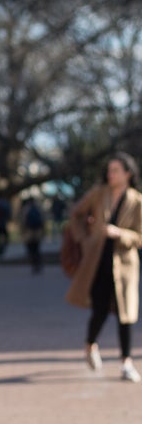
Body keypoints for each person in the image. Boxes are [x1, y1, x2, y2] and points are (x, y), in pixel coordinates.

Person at [65, 152, 142, 383]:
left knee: (126, 314)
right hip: (98, 261)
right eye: (109, 170)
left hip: (125, 265)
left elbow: (140, 236)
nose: (110, 174)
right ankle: (90, 345)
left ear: (127, 173)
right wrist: (84, 237)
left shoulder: (137, 201)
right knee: (99, 310)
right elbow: (76, 215)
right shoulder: (98, 194)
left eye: (115, 170)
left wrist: (120, 234)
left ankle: (126, 362)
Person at [19, 197, 45, 274]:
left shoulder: (25, 210)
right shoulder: (38, 209)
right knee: (36, 249)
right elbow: (43, 221)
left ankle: (34, 265)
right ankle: (38, 263)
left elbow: (22, 222)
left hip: (29, 232)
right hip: (37, 232)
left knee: (31, 249)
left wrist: (22, 232)